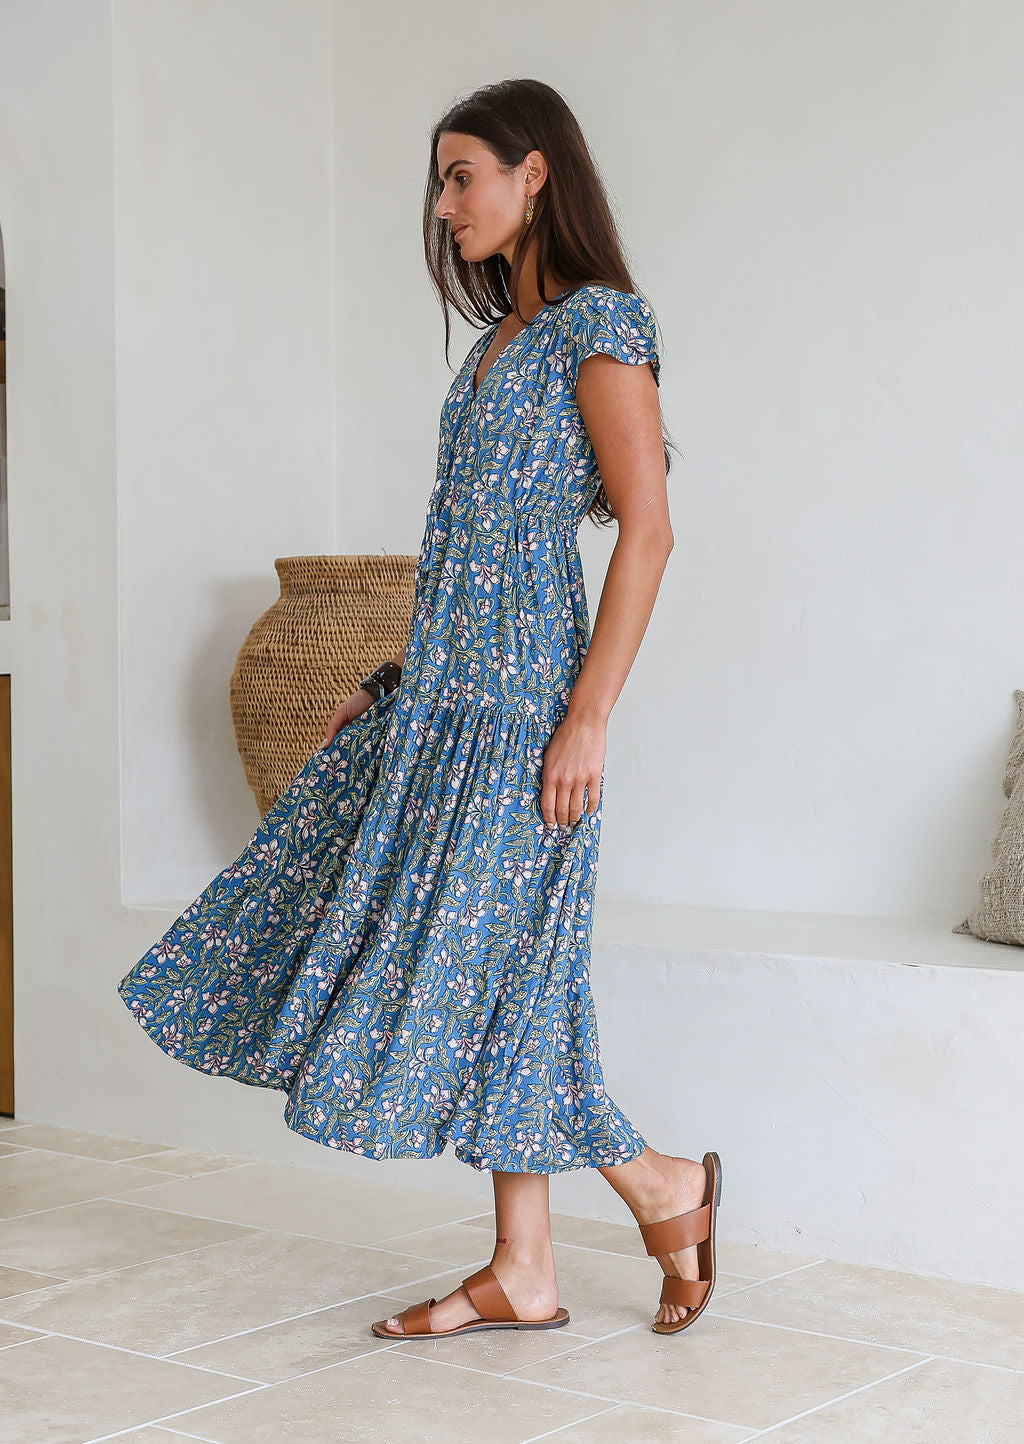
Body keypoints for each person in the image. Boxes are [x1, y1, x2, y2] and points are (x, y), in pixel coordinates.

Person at [117, 77, 722, 1343]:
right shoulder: (502, 339)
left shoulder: (600, 325)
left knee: (491, 973)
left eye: (462, 177)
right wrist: (390, 683)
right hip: (442, 707)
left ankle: (661, 1188)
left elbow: (649, 535)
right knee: (499, 977)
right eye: (440, 184)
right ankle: (533, 1263)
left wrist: (589, 716)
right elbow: (465, 547)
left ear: (534, 172)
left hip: (527, 720)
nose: (444, 208)